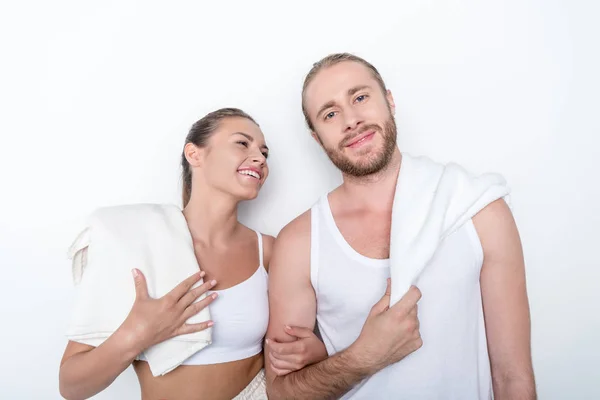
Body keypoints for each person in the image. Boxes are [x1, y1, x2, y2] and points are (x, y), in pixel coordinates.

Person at [265, 53, 536, 399]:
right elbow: (281, 393)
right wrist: (363, 357)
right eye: (330, 114)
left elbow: (513, 377)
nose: (351, 120)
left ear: (389, 101)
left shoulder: (478, 210)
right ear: (317, 138)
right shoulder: (300, 243)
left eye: (360, 97)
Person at [59, 108, 327, 400]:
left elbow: (290, 349)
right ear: (194, 154)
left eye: (264, 152)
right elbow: (71, 387)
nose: (260, 158)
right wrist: (137, 334)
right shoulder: (136, 244)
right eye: (242, 143)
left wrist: (317, 351)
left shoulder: (269, 250)